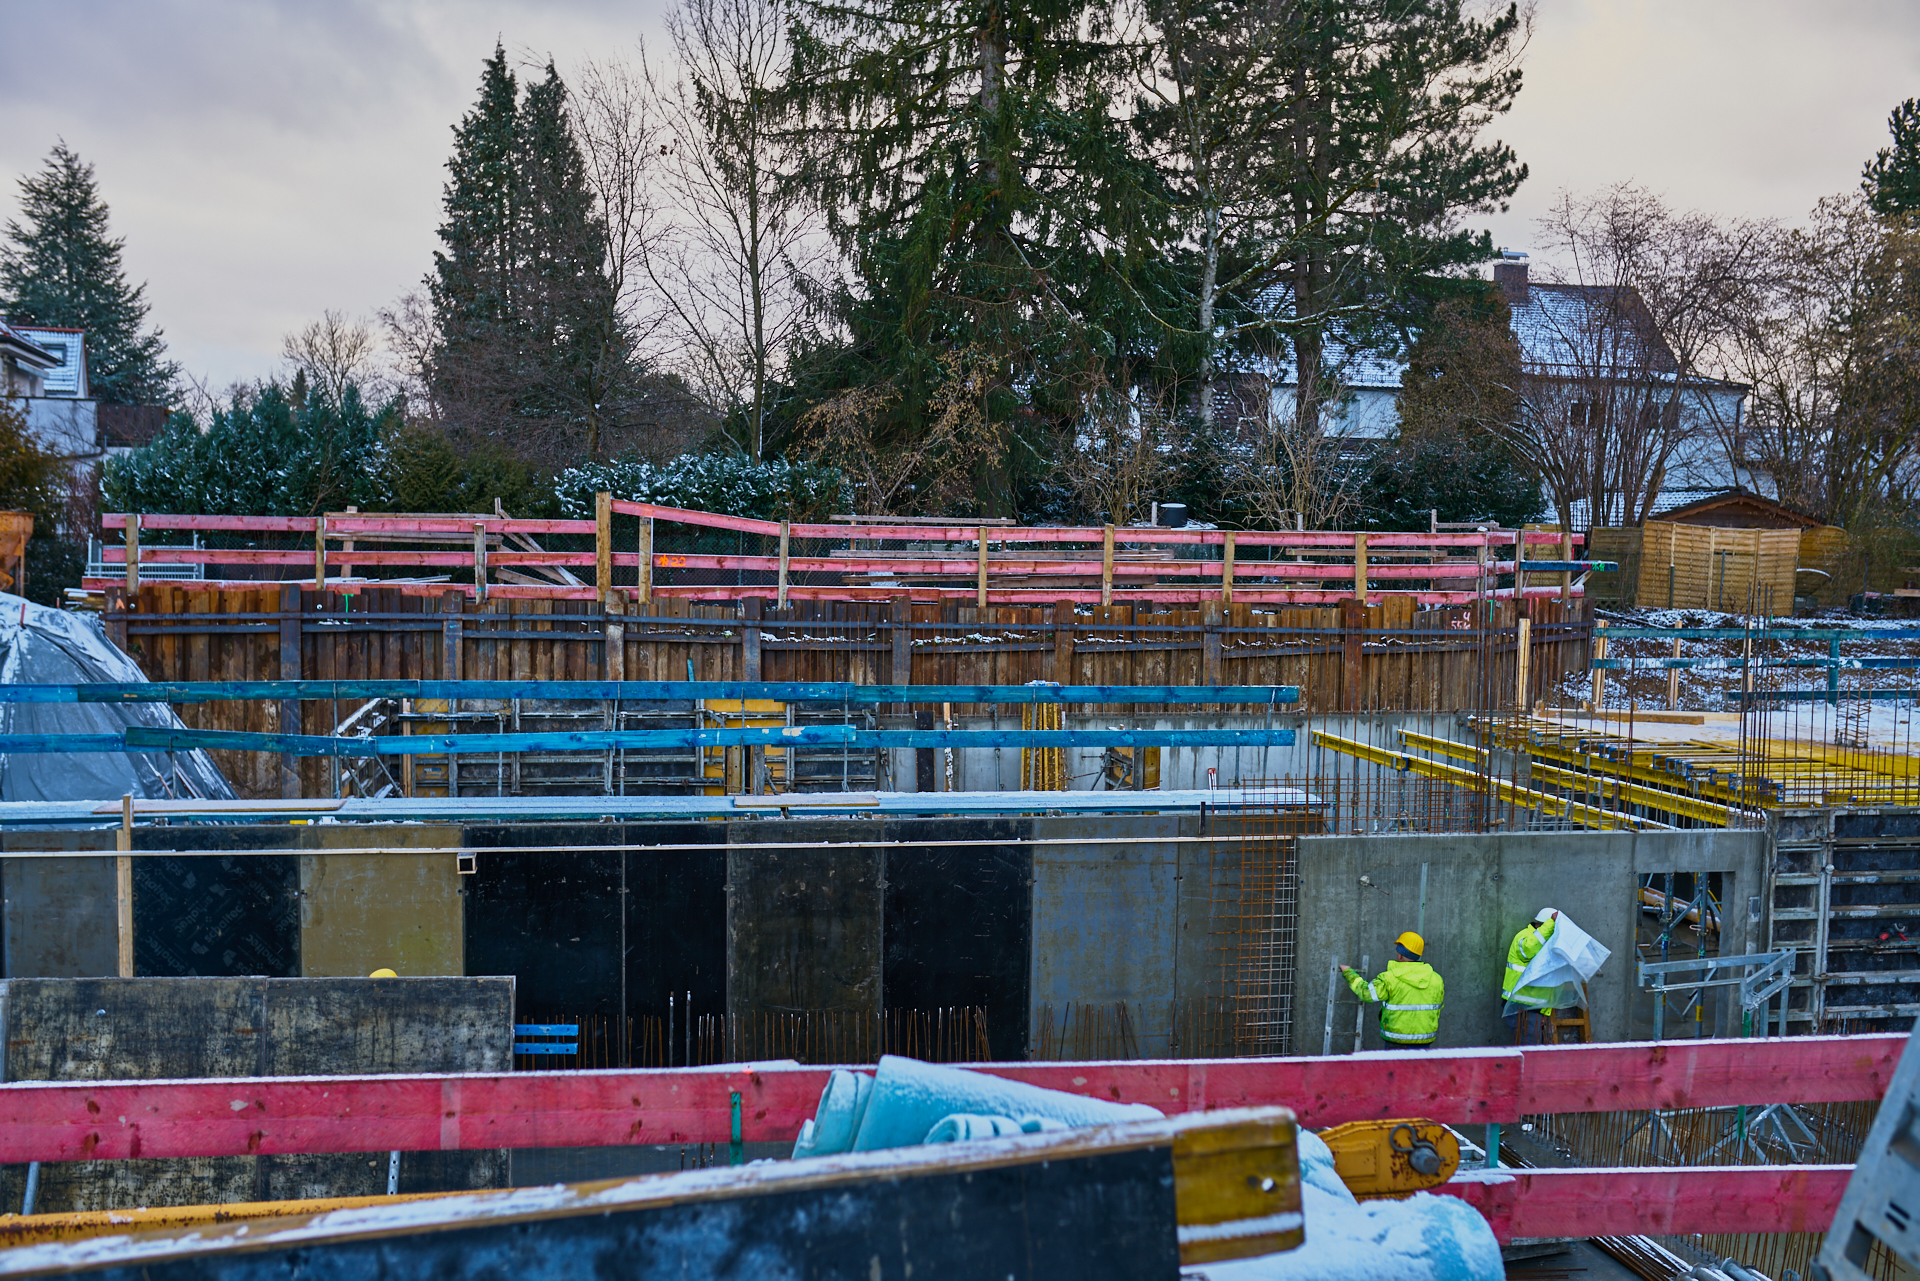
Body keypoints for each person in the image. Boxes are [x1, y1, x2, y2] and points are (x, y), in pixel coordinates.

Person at [1340, 931, 1444, 1049]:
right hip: (1424, 1041)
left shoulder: (1390, 978)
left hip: (1397, 1042)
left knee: (1395, 1068)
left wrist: (1348, 972)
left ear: (1400, 955)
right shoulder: (1436, 979)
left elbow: (1366, 993)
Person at [1502, 908, 1559, 1039]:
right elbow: (1528, 949)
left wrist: (1546, 1011)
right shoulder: (1524, 937)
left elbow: (1549, 981)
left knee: (1531, 1051)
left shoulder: (1547, 945)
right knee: (1528, 1051)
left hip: (1535, 1009)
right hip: (1517, 1006)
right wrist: (1551, 924)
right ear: (1544, 926)